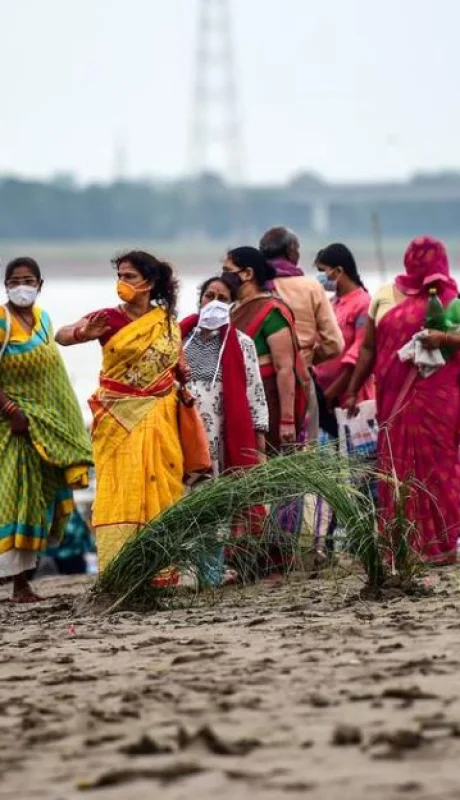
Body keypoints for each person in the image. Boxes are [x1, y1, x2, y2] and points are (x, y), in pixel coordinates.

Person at [55, 251, 185, 572]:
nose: (122, 283)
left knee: (162, 485)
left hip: (161, 415)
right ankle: (120, 567)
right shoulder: (109, 319)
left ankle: (159, 568)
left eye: (129, 277)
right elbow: (61, 335)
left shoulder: (166, 323)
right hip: (118, 418)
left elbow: (175, 363)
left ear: (150, 283)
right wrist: (82, 334)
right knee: (120, 487)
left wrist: (182, 376)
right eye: (120, 276)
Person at [347, 236, 460, 565]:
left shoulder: (451, 299)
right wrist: (354, 389)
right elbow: (368, 348)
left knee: (439, 468)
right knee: (395, 467)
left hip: (437, 401)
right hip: (393, 398)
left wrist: (443, 337)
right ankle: (402, 543)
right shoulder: (383, 294)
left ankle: (442, 545)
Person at [0, 257, 92, 602]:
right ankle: (20, 584)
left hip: (44, 430)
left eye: (28, 279)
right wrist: (12, 411)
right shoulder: (1, 320)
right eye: (14, 280)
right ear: (6, 284)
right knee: (13, 502)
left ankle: (23, 580)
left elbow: (53, 379)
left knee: (39, 502)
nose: (21, 285)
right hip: (12, 429)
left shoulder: (43, 320)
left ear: (40, 284)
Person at [222, 246, 309, 572]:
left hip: (271, 406)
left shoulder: (271, 311)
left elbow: (286, 368)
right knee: (244, 479)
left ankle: (281, 555)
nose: (224, 274)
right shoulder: (232, 311)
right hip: (240, 405)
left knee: (279, 478)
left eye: (229, 268)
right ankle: (244, 555)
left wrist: (286, 419)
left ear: (247, 274)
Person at [180, 276, 269, 584]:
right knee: (179, 499)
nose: (214, 302)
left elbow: (254, 391)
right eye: (209, 295)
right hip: (179, 432)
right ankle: (180, 573)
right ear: (199, 299)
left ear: (231, 305)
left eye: (222, 297)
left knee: (212, 504)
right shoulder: (178, 336)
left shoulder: (242, 343)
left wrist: (257, 439)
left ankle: (211, 572)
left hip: (218, 436)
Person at [259, 226, 343, 442]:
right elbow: (334, 343)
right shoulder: (310, 287)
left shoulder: (255, 287)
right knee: (305, 452)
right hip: (301, 379)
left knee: (263, 452)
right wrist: (305, 357)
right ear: (290, 251)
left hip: (259, 384)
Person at [314, 243, 374, 412]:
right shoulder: (331, 303)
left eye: (322, 270)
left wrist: (331, 394)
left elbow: (360, 354)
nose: (320, 277)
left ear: (338, 272)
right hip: (324, 398)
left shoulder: (363, 303)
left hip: (350, 397)